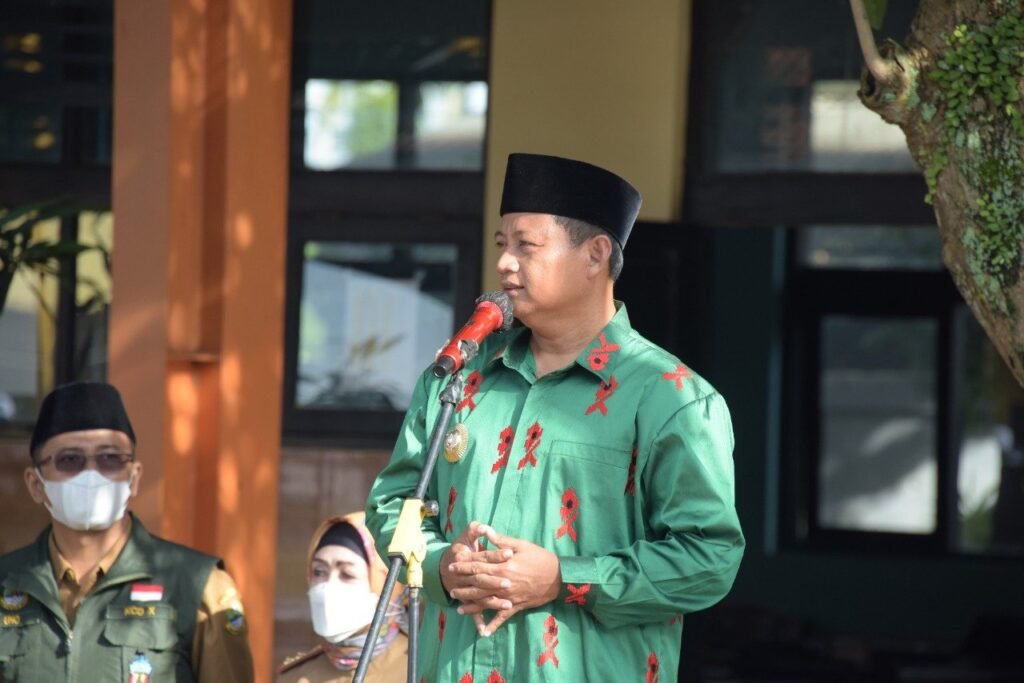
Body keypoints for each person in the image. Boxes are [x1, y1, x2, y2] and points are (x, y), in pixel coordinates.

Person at [365, 152, 745, 682]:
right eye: (502, 244)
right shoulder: (457, 378)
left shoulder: (671, 398)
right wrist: (440, 566)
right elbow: (391, 505)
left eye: (526, 245)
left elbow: (708, 558)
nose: (504, 263)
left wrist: (565, 578)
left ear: (595, 255)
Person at [0, 381, 253, 682]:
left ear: (134, 479)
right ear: (35, 484)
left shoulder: (197, 587)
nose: (91, 474)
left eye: (110, 459)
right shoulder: (7, 581)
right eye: (70, 460)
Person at [277, 512, 408, 683]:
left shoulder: (420, 668)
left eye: (347, 574)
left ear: (385, 581)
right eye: (319, 572)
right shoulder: (296, 676)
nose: (328, 585)